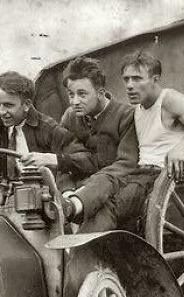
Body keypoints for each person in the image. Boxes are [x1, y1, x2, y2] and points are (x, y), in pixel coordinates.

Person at [0, 71, 95, 211]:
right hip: (8, 193)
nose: (1, 112)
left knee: (20, 200)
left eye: (8, 105)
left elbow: (87, 160)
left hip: (40, 198)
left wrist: (49, 158)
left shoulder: (48, 128)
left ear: (26, 105)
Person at [117, 51, 184, 226]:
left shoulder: (170, 100)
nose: (129, 85)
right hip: (140, 176)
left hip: (165, 178)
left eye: (137, 79)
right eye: (126, 79)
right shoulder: (138, 109)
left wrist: (183, 147)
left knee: (114, 205)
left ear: (155, 79)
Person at [58, 56, 139, 232]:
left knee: (100, 210)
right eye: (71, 94)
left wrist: (86, 192)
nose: (74, 101)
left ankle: (84, 256)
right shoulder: (70, 117)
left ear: (100, 92)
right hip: (76, 191)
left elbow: (126, 165)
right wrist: (66, 192)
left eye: (82, 94)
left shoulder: (126, 116)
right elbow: (66, 163)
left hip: (118, 186)